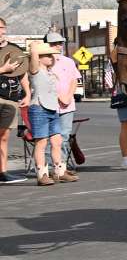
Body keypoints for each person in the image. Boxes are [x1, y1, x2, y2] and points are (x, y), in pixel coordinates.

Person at [26, 41, 76, 185]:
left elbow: (70, 80)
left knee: (57, 141)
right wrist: (34, 48)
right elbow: (34, 57)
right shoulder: (35, 71)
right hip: (39, 108)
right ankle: (42, 175)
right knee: (41, 142)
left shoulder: (50, 72)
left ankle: (60, 172)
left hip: (53, 109)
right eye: (47, 55)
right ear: (39, 57)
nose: (51, 58)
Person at [43, 32, 81, 168]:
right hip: (48, 105)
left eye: (60, 43)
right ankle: (48, 167)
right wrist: (59, 97)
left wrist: (68, 97)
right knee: (49, 138)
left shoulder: (68, 61)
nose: (58, 46)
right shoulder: (43, 62)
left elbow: (74, 80)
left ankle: (61, 167)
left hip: (67, 106)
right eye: (54, 43)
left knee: (64, 137)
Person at [0, 18, 29, 184]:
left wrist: (27, 94)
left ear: (5, 29)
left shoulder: (15, 49)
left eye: (1, 28)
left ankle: (2, 172)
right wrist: (3, 69)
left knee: (4, 136)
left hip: (10, 98)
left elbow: (23, 72)